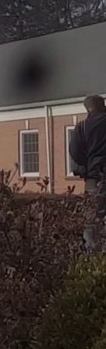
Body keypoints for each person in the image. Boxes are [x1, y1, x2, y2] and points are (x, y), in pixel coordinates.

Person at [69, 94, 106, 251]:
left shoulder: (82, 127)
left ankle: (92, 253)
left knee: (92, 214)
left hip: (93, 176)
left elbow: (75, 152)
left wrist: (87, 164)